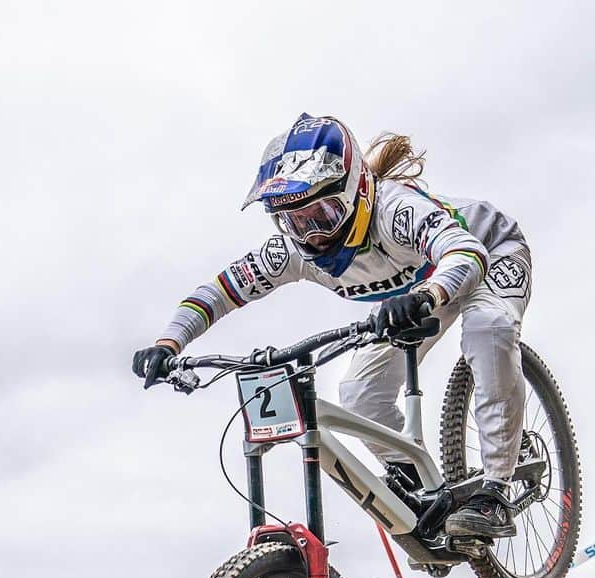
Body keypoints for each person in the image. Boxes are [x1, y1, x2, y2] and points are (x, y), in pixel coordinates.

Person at [133, 113, 533, 541]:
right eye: (295, 220)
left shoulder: (395, 210)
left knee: (488, 330)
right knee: (359, 393)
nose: (313, 234)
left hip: (487, 254)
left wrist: (427, 297)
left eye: (323, 213)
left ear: (357, 192)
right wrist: (169, 342)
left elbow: (465, 253)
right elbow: (222, 290)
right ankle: (417, 482)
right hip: (419, 293)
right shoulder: (293, 252)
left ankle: (496, 491)